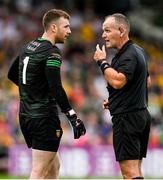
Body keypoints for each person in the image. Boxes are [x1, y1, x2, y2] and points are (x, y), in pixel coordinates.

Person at [8, 9, 86, 179]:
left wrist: (32, 94)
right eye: (66, 26)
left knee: (53, 166)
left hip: (26, 116)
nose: (69, 31)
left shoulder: (28, 46)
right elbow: (56, 87)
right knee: (38, 171)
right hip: (44, 118)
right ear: (53, 28)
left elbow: (12, 74)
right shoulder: (52, 52)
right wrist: (73, 117)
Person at [93, 13, 151, 179]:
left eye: (107, 30)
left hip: (128, 118)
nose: (103, 35)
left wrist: (102, 62)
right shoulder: (138, 51)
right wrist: (117, 100)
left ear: (121, 30)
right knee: (136, 171)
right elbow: (146, 81)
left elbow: (118, 81)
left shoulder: (128, 55)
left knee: (129, 173)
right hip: (140, 115)